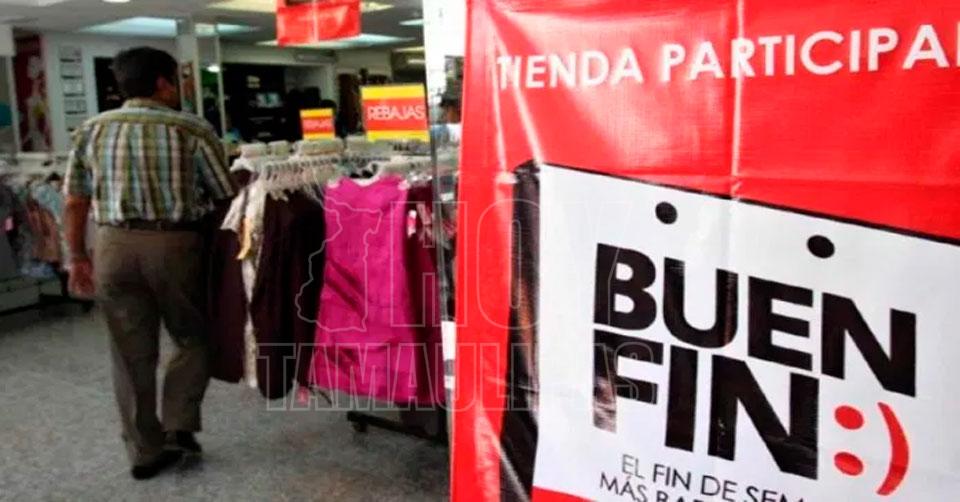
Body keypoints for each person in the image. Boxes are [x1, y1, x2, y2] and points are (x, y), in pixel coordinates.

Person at [63, 47, 237, 480]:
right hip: (175, 243)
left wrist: (77, 256)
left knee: (129, 353)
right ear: (162, 82)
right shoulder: (191, 128)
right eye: (175, 80)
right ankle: (179, 425)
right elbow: (225, 195)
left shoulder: (90, 130)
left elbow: (74, 201)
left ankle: (144, 452)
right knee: (193, 336)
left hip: (112, 245)